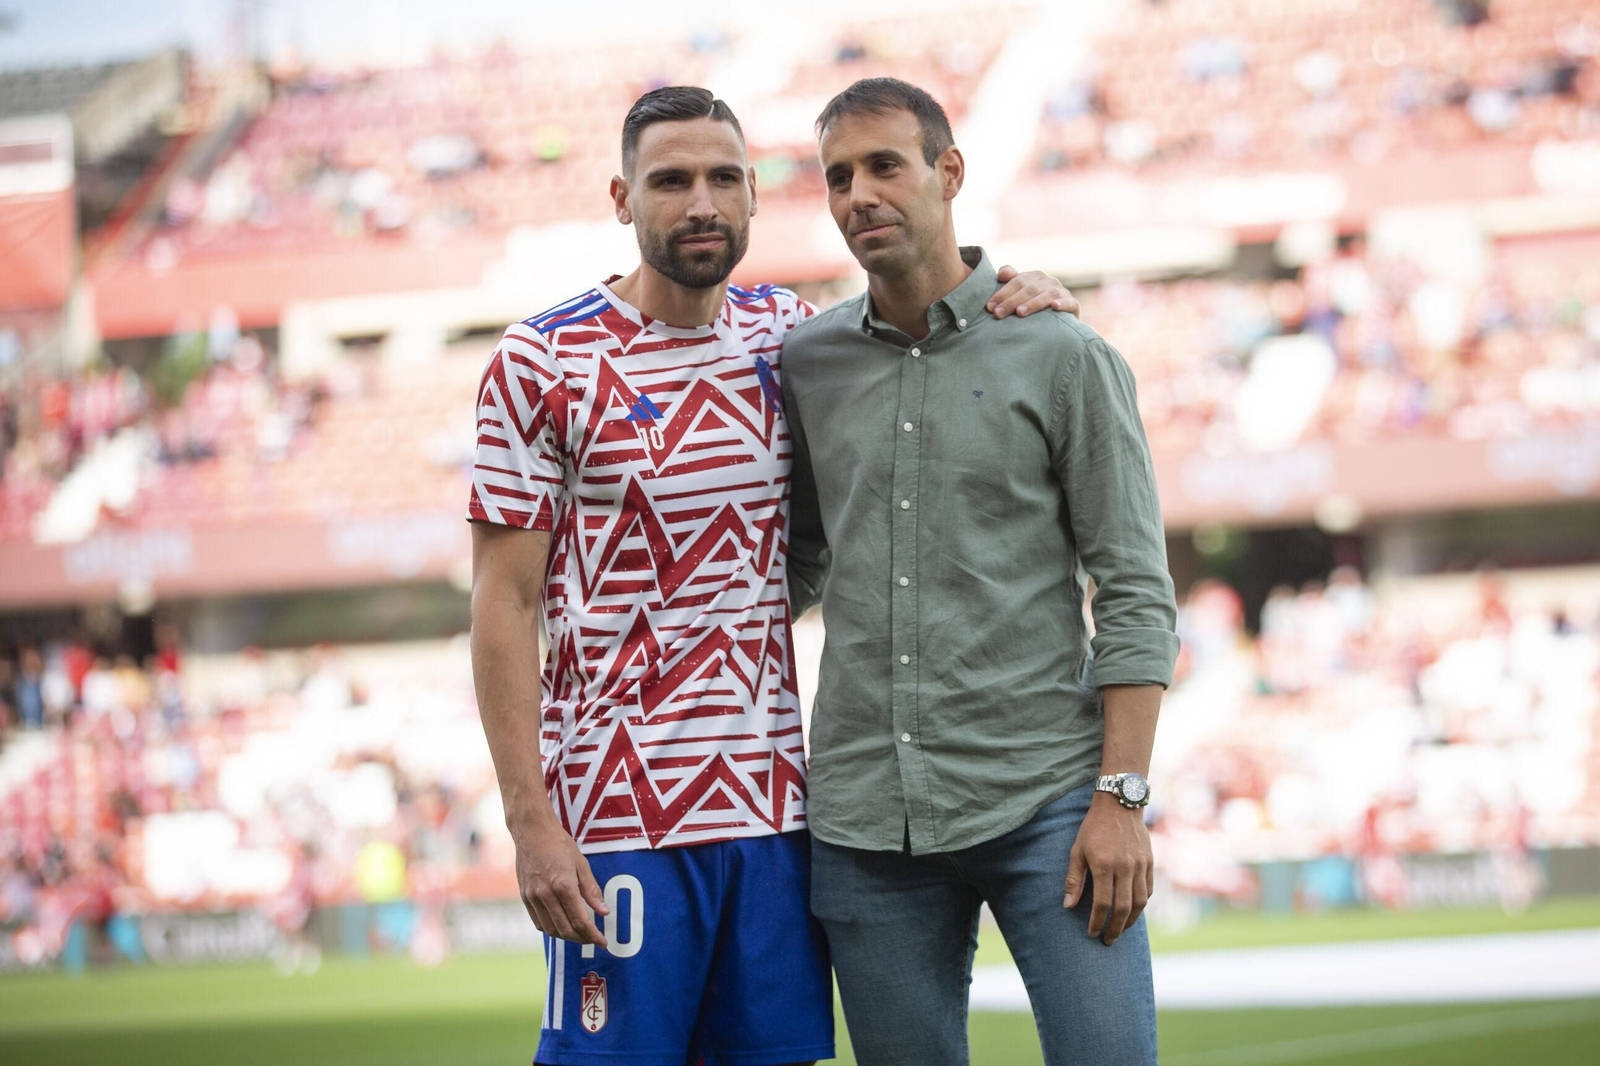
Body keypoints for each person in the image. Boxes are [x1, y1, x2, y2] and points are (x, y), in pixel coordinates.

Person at [467, 85, 1077, 1066]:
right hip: (617, 816)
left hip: (778, 815)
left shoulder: (789, 340)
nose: (700, 204)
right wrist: (530, 820)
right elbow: (504, 602)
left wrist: (1018, 297)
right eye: (670, 181)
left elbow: (923, 333)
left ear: (754, 193)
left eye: (722, 179)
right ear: (621, 199)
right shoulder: (543, 361)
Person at [780, 78, 1180, 1066]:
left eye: (884, 165)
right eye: (838, 177)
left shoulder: (1061, 353)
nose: (860, 195)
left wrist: (1122, 797)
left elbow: (1135, 588)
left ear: (949, 172)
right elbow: (792, 564)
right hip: (865, 819)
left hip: (1047, 799)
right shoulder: (804, 362)